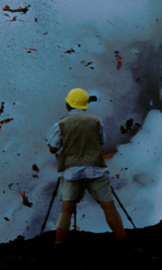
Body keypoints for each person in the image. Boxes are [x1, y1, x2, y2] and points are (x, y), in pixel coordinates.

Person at [47, 87, 128, 245]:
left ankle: (59, 244)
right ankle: (123, 240)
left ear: (68, 105)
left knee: (67, 207)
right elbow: (101, 141)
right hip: (95, 168)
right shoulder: (96, 121)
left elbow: (53, 148)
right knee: (108, 205)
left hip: (71, 171)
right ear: (85, 105)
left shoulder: (60, 125)